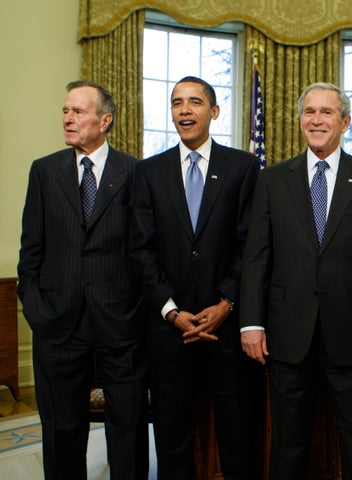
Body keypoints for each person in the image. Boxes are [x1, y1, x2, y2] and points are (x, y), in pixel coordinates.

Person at [239, 82, 352, 480]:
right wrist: (251, 322)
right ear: (299, 121)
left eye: (326, 112)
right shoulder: (272, 179)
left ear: (345, 121)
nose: (316, 120)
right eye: (309, 112)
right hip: (287, 333)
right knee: (288, 442)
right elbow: (257, 255)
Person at [129, 76, 262, 480]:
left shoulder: (243, 167)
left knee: (238, 441)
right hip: (171, 333)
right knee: (173, 442)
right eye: (176, 103)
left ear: (214, 111)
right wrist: (172, 312)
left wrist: (226, 304)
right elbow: (140, 249)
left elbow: (251, 246)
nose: (184, 110)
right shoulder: (148, 172)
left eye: (195, 102)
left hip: (227, 330)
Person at [17, 80, 148, 479]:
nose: (67, 119)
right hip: (58, 322)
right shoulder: (45, 171)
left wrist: (136, 312)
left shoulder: (136, 172)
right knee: (61, 429)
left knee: (127, 428)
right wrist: (38, 311)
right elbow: (31, 252)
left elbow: (145, 250)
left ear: (105, 120)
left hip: (120, 322)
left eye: (77, 111)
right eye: (65, 111)